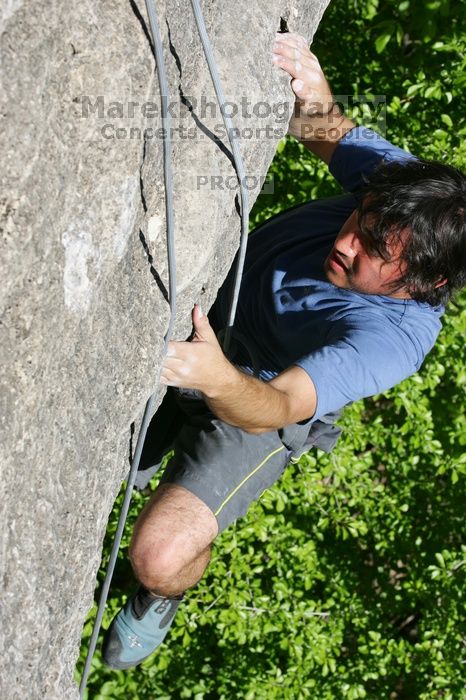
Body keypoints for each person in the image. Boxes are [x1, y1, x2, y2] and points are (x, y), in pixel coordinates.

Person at [102, 32, 466, 669]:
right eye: (360, 218)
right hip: (216, 313)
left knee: (159, 556)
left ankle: (163, 596)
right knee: (108, 470)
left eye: (372, 252)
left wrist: (216, 376)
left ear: (424, 282)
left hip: (259, 398)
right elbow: (325, 126)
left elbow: (279, 404)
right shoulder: (407, 202)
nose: (349, 240)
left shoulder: (392, 342)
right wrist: (308, 79)